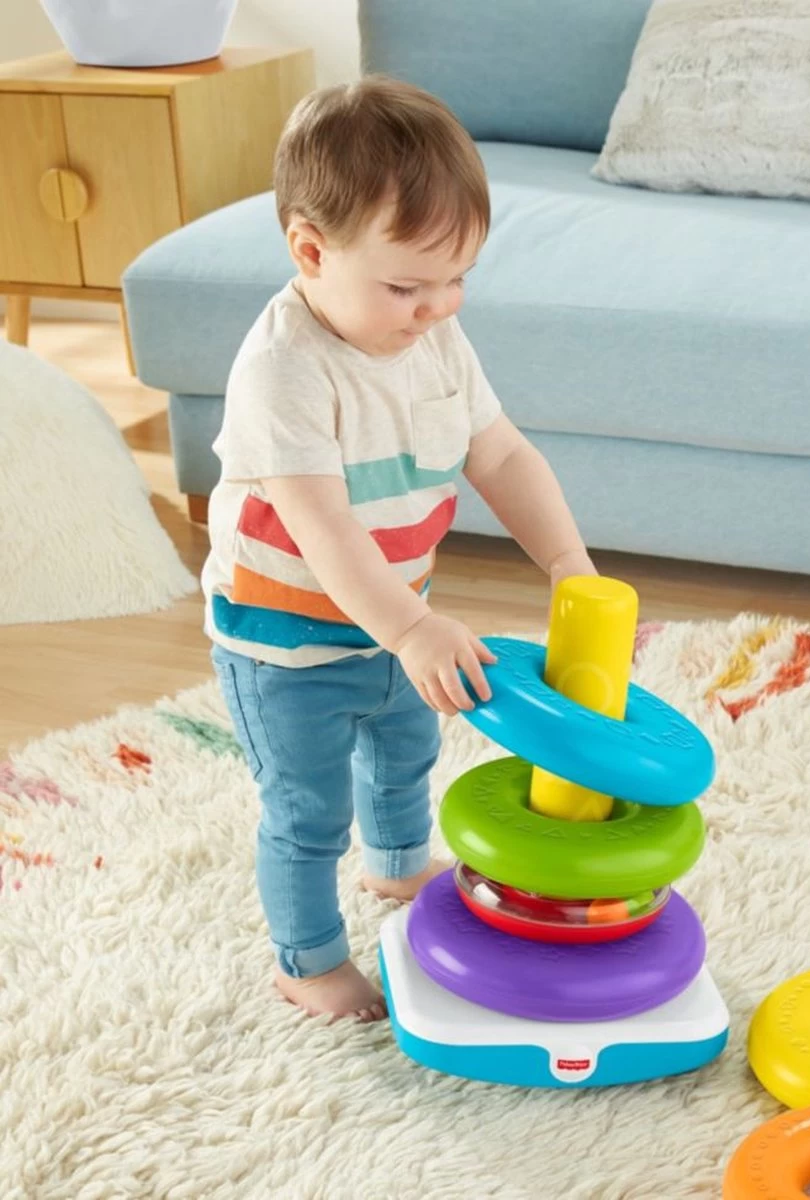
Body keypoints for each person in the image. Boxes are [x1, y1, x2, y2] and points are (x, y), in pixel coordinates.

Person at [203, 77, 597, 1021]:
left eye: (457, 279)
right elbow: (324, 527)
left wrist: (567, 563)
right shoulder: (283, 369)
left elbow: (501, 453)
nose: (437, 307)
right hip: (286, 644)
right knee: (307, 813)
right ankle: (305, 962)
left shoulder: (438, 338)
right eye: (406, 286)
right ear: (311, 251)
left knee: (404, 751)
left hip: (392, 613)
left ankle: (394, 866)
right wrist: (415, 627)